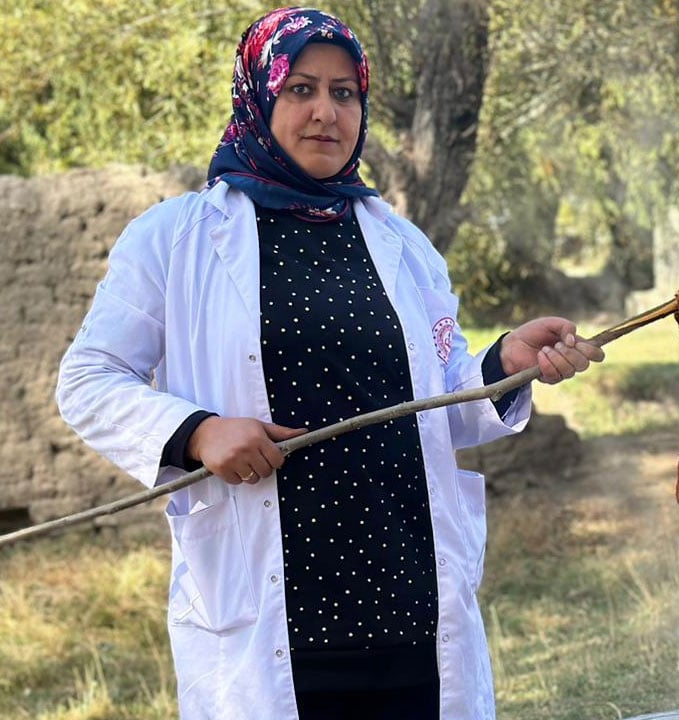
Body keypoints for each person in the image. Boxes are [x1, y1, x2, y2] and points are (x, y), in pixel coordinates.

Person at [54, 7, 603, 719]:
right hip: (274, 620)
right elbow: (88, 379)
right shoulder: (174, 239)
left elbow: (441, 409)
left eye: (344, 93)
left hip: (410, 608)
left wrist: (506, 363)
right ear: (257, 95)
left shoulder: (403, 244)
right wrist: (197, 431)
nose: (325, 112)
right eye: (300, 89)